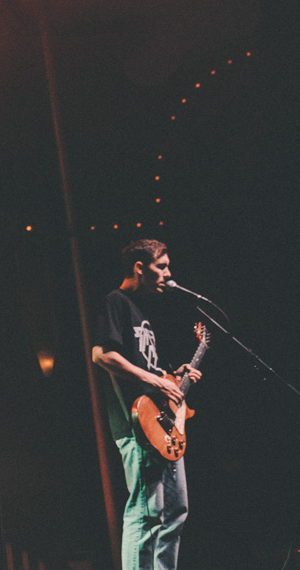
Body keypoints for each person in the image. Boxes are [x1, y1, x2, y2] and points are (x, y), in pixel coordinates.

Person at [92, 239, 202, 570]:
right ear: (140, 267)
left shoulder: (143, 313)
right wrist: (156, 381)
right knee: (144, 511)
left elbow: (149, 368)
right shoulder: (117, 301)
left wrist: (171, 376)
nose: (168, 274)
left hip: (164, 425)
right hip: (138, 424)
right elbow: (103, 355)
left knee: (175, 512)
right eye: (161, 266)